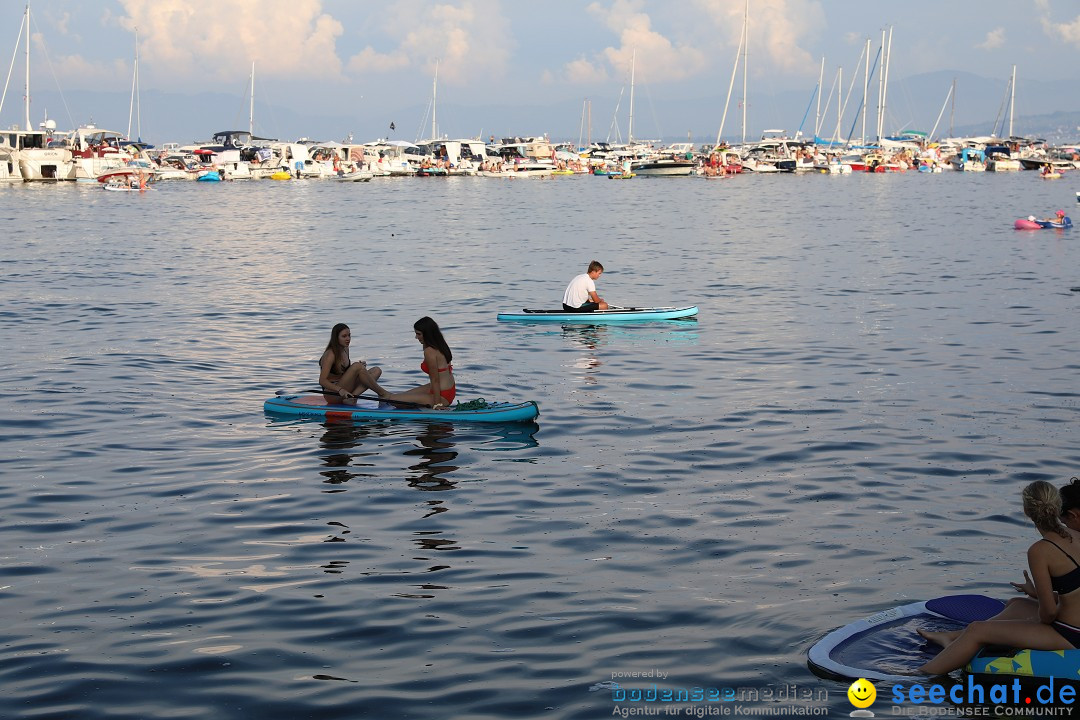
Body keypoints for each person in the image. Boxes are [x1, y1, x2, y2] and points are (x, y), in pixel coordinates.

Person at [915, 480, 1080, 675]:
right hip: (1074, 623)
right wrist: (1035, 594)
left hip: (1070, 634)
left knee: (978, 629)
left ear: (1027, 512)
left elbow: (1049, 614)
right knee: (1017, 604)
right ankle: (952, 638)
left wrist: (1034, 621)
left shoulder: (1040, 551)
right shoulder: (1076, 535)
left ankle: (920, 676)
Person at [385, 317, 456, 409]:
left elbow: (435, 379)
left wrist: (438, 404)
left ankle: (435, 403)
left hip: (442, 396)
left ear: (427, 334)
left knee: (392, 400)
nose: (416, 337)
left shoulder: (429, 351)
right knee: (397, 396)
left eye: (419, 334)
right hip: (449, 390)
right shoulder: (441, 344)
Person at [319, 323, 389, 404]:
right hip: (333, 394)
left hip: (345, 388)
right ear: (336, 338)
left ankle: (352, 398)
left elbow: (344, 373)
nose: (348, 339)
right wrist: (340, 390)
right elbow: (322, 381)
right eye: (344, 336)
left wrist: (360, 368)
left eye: (349, 335)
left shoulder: (345, 349)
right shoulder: (330, 354)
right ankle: (383, 393)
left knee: (376, 370)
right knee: (356, 366)